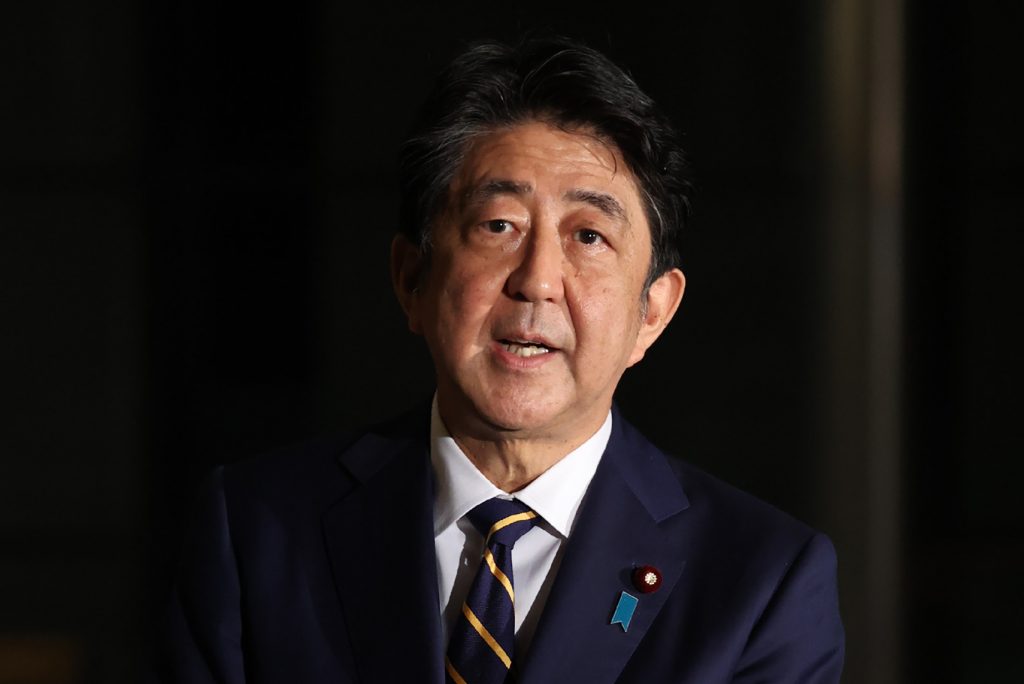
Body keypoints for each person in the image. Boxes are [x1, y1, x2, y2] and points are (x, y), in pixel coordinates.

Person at [158, 35, 844, 684]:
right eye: (498, 226)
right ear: (411, 279)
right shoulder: (256, 534)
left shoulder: (762, 583)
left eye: (589, 236)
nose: (538, 279)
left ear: (652, 313)